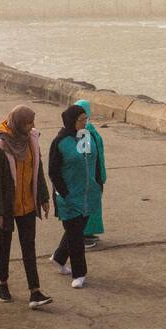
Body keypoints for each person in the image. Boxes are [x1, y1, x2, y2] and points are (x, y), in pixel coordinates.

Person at [0, 105, 53, 307]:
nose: (32, 126)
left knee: (29, 247)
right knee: (5, 246)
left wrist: (44, 198)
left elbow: (37, 170)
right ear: (19, 123)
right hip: (7, 206)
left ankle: (35, 291)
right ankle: (3, 284)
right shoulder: (1, 144)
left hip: (28, 204)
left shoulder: (32, 141)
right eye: (29, 122)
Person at [48, 105, 92, 287]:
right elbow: (53, 172)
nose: (85, 123)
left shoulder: (85, 137)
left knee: (77, 228)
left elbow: (91, 160)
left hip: (86, 194)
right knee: (75, 235)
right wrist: (64, 193)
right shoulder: (60, 142)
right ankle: (79, 274)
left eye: (86, 119)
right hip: (67, 196)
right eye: (81, 120)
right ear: (71, 121)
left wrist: (97, 182)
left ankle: (59, 257)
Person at [73, 97, 106, 247]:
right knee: (88, 204)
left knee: (94, 204)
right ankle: (84, 235)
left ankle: (89, 232)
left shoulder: (88, 128)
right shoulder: (83, 132)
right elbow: (85, 158)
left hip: (95, 173)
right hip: (90, 175)